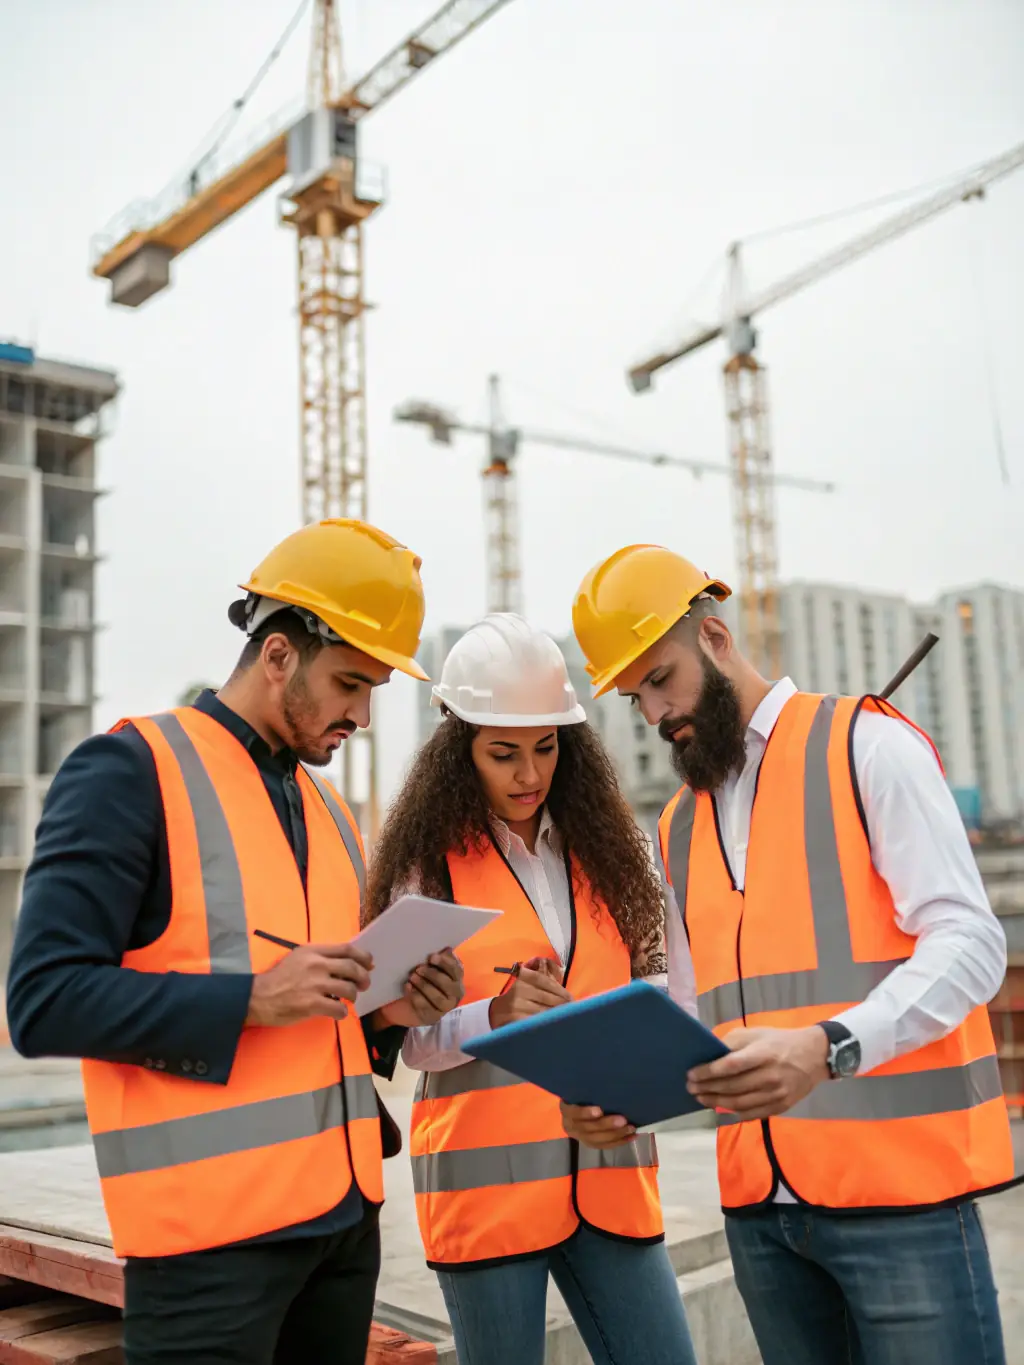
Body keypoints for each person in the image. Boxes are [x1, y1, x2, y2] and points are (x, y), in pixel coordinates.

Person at [6, 518, 465, 1365]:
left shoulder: (329, 812)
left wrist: (391, 1009)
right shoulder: (129, 770)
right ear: (279, 654)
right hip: (207, 1249)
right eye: (350, 683)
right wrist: (253, 998)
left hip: (341, 1228)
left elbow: (324, 1014)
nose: (362, 714)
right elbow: (41, 1001)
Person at [560, 543, 1020, 1365]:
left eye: (660, 677)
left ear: (716, 638)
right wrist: (618, 1095)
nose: (656, 711)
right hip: (762, 1211)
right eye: (635, 699)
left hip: (900, 1197)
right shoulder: (679, 826)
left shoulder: (866, 746)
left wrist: (829, 1045)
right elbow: (694, 1012)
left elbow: (973, 941)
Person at [365, 613, 698, 1365]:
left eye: (546, 748)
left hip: (610, 1181)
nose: (528, 774)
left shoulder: (618, 857)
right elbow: (411, 1039)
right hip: (487, 1197)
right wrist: (496, 1013)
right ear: (461, 747)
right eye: (503, 753)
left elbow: (661, 988)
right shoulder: (428, 868)